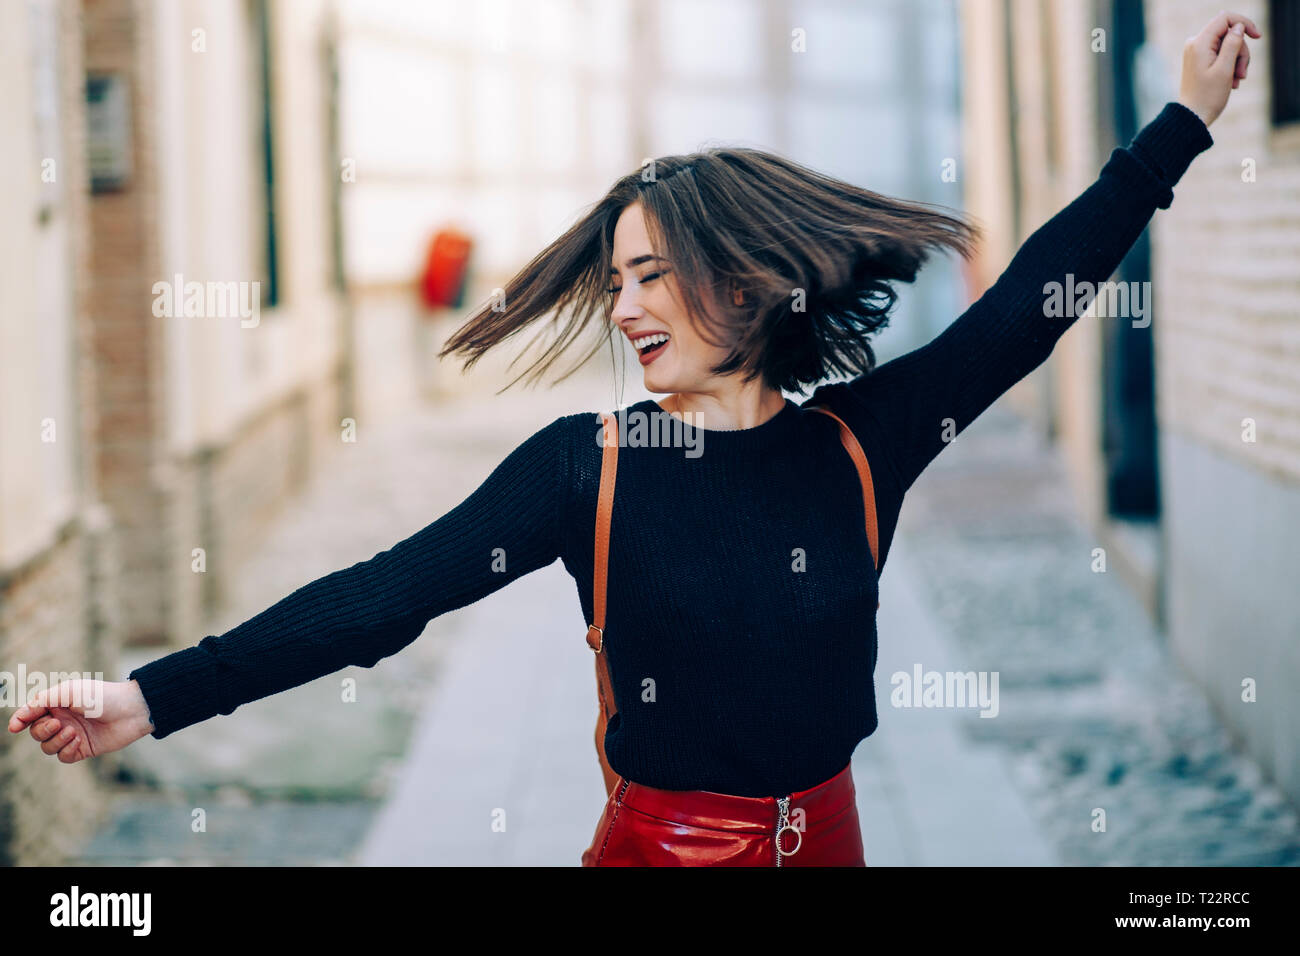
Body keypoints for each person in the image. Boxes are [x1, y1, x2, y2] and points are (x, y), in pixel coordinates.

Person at [9, 11, 1258, 866]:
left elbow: (1028, 310)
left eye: (654, 276)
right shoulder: (585, 468)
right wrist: (146, 698)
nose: (625, 309)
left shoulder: (862, 445)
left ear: (747, 280)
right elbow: (384, 595)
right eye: (617, 282)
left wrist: (1180, 128)